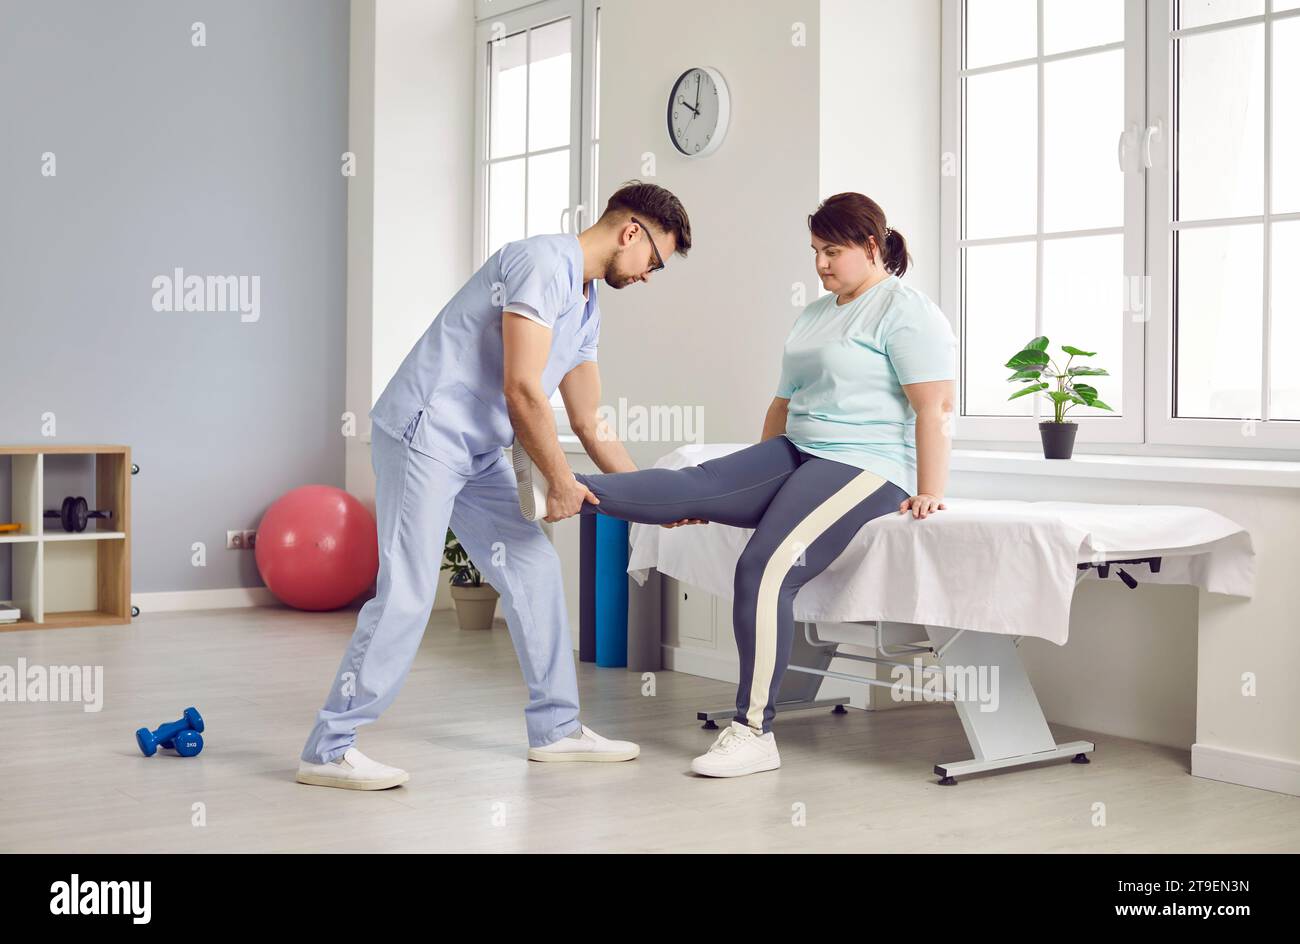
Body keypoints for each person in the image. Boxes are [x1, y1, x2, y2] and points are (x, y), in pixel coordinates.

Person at [515, 192, 957, 779]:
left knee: (764, 565)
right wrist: (756, 469)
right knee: (694, 486)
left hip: (867, 466)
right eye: (815, 252)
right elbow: (783, 402)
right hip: (797, 450)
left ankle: (754, 732)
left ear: (871, 247)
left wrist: (930, 487)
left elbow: (936, 406)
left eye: (832, 252)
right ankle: (558, 488)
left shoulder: (905, 310)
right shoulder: (816, 313)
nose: (820, 265)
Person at [297, 181, 693, 790]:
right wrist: (560, 484)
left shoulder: (586, 304)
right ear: (631, 232)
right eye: (655, 261)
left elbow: (589, 420)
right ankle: (329, 747)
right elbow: (522, 388)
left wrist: (656, 500)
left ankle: (556, 731)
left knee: (533, 570)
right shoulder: (541, 262)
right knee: (405, 592)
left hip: (478, 452)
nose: (649, 275)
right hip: (424, 433)